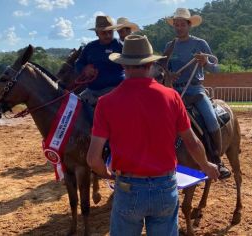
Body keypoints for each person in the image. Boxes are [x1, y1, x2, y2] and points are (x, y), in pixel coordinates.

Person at [86, 35, 219, 236]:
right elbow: (192, 142)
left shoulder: (105, 103)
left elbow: (92, 159)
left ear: (124, 66)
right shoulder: (172, 97)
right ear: (150, 64)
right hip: (164, 186)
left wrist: (107, 174)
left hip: (128, 187)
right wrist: (207, 165)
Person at [164, 8, 231, 179]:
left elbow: (216, 68)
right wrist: (169, 75)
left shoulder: (200, 43)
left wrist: (205, 62)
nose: (178, 28)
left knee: (211, 120)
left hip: (195, 90)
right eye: (176, 25)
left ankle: (217, 159)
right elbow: (162, 69)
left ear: (189, 25)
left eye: (182, 25)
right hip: (174, 92)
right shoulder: (169, 46)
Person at [75, 15, 124, 122]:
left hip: (116, 90)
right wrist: (84, 69)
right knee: (74, 107)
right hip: (92, 90)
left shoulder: (120, 46)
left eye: (110, 32)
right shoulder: (89, 47)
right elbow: (78, 63)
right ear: (96, 33)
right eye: (103, 32)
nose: (107, 35)